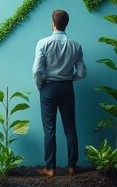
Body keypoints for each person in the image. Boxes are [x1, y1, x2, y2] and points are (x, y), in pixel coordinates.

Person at [32, 9, 87, 177]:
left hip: (48, 88)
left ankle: (50, 168)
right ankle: (72, 167)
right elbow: (83, 73)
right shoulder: (76, 45)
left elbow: (36, 70)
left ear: (53, 23)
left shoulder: (43, 43)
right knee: (70, 128)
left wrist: (40, 85)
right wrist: (69, 78)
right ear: (66, 24)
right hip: (66, 88)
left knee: (49, 130)